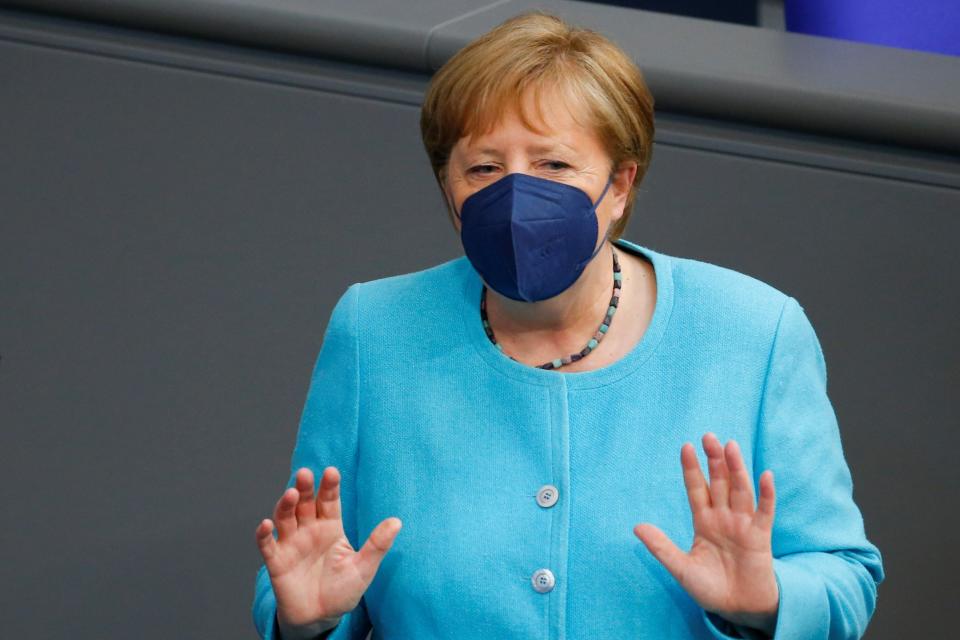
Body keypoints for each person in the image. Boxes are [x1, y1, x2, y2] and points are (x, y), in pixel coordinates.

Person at [252, 12, 883, 640]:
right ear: (447, 187)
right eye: (483, 168)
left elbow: (843, 575)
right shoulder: (376, 330)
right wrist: (307, 622)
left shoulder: (755, 332)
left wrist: (768, 602)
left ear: (620, 185)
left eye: (554, 164)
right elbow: (315, 564)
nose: (517, 193)